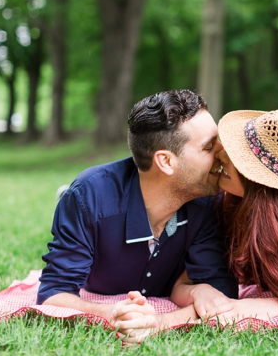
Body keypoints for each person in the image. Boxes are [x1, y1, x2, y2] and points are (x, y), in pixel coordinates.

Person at [116, 106, 278, 342]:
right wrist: (198, 292)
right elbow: (182, 286)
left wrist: (264, 306)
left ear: (261, 182)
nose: (221, 154)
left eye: (237, 154)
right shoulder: (221, 202)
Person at [37, 90, 238, 331]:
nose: (223, 154)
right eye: (208, 148)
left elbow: (220, 292)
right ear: (165, 161)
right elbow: (52, 295)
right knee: (77, 201)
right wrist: (112, 312)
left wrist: (195, 295)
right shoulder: (88, 198)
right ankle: (64, 201)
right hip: (93, 205)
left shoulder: (207, 200)